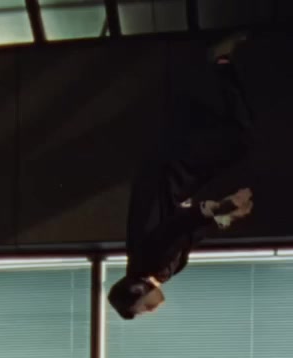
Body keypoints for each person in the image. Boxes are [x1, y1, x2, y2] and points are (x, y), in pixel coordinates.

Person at [109, 30, 258, 321]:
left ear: (136, 290)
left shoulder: (149, 265)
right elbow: (187, 236)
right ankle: (212, 73)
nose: (150, 310)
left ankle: (220, 60)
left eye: (142, 308)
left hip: (172, 171)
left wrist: (222, 207)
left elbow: (177, 227)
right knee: (234, 140)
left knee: (241, 139)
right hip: (176, 176)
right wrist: (227, 216)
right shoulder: (157, 269)